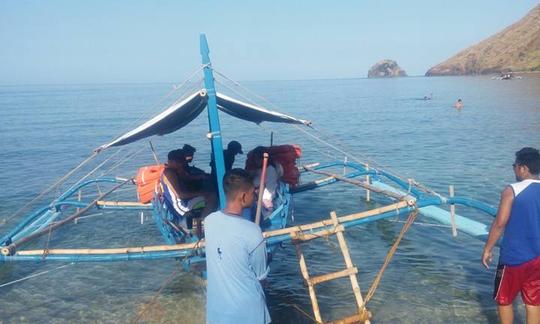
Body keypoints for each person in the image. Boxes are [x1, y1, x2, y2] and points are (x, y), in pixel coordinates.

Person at [482, 147, 540, 324]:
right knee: (534, 301)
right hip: (538, 257)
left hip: (514, 257)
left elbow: (500, 223)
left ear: (523, 168)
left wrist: (487, 249)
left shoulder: (512, 190)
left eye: (514, 165)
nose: (514, 169)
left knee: (504, 299)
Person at [205, 169, 271, 324]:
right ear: (243, 196)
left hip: (217, 313)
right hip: (249, 313)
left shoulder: (209, 222)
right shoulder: (253, 232)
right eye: (253, 192)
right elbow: (261, 278)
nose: (255, 196)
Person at [161, 149, 217, 221]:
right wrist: (201, 193)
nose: (181, 164)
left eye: (181, 162)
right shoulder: (169, 173)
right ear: (170, 161)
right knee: (212, 196)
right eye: (178, 162)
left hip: (184, 200)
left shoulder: (174, 170)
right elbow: (180, 195)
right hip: (181, 205)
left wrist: (201, 176)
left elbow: (186, 178)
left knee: (206, 192)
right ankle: (201, 221)